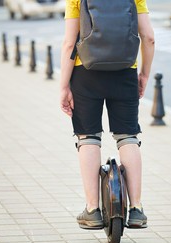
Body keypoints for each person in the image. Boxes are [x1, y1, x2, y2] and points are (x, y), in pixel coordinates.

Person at [60, 0, 155, 229]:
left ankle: (92, 210)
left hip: (86, 73)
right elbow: (149, 38)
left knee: (88, 137)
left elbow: (69, 44)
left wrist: (64, 86)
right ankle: (136, 209)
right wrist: (144, 74)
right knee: (128, 137)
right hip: (125, 71)